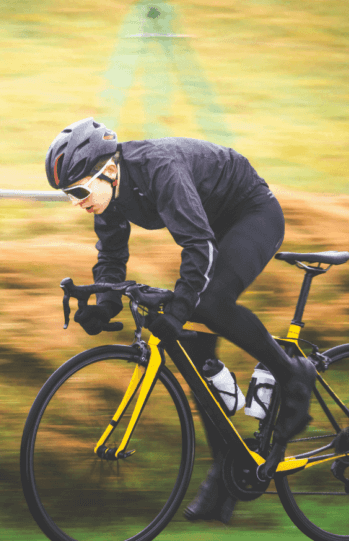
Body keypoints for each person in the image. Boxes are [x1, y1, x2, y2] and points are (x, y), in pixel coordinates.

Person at [44, 117, 316, 524]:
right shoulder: (108, 194)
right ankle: (226, 475)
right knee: (193, 345)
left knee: (208, 304)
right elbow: (112, 258)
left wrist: (178, 310)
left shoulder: (159, 168)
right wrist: (103, 305)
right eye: (68, 195)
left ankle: (293, 374)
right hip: (208, 224)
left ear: (111, 170)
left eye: (80, 191)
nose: (77, 202)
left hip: (251, 213)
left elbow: (198, 246)